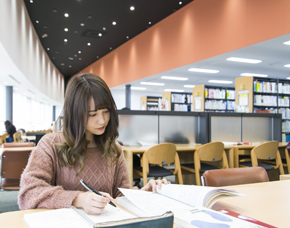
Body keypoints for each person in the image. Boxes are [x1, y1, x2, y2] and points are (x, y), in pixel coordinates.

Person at [18, 73, 170, 215]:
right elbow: (28, 194)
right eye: (92, 114)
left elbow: (120, 196)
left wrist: (144, 194)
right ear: (75, 113)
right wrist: (80, 199)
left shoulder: (113, 148)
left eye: (106, 111)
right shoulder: (50, 144)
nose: (102, 120)